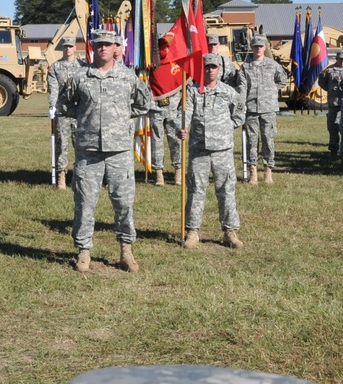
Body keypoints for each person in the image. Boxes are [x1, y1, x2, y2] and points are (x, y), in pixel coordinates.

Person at [56, 29, 153, 273]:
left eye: (108, 44)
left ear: (116, 47)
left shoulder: (128, 77)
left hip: (119, 150)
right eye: (99, 44)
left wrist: (120, 118)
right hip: (88, 151)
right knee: (85, 202)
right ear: (93, 47)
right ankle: (83, 251)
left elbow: (143, 103)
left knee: (123, 202)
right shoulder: (80, 77)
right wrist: (86, 119)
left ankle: (126, 250)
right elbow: (64, 104)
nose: (103, 48)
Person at [180, 54, 245, 249]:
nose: (210, 70)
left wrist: (228, 127)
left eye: (214, 67)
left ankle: (230, 231)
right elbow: (184, 113)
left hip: (222, 150)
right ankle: (192, 231)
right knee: (196, 190)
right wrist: (182, 127)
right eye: (207, 67)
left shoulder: (228, 92)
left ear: (219, 69)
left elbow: (240, 111)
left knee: (226, 190)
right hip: (199, 149)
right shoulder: (192, 91)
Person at [236, 34, 286, 184]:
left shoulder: (272, 65)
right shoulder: (245, 67)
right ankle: (253, 172)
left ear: (265, 47)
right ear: (251, 48)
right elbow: (242, 87)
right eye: (255, 46)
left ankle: (268, 171)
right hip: (251, 108)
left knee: (268, 139)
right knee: (251, 141)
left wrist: (271, 91)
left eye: (261, 46)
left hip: (268, 108)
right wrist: (241, 104)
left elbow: (282, 80)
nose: (258, 48)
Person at [47, 36, 86, 189]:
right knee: (61, 144)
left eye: (70, 46)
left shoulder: (82, 66)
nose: (68, 49)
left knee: (80, 144)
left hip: (79, 112)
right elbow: (53, 87)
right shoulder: (55, 67)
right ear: (62, 48)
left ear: (75, 48)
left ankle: (79, 176)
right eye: (65, 46)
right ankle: (61, 175)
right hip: (62, 111)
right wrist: (52, 105)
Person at [148, 37, 184, 187]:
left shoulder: (175, 63)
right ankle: (159, 173)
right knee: (157, 141)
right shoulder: (150, 63)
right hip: (155, 107)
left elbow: (181, 85)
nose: (163, 50)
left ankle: (178, 171)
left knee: (175, 139)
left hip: (173, 108)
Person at [317, 50, 343, 156]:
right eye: (341, 59)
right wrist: (331, 90)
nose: (342, 61)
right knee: (332, 127)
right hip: (334, 104)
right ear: (337, 59)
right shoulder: (329, 70)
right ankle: (333, 149)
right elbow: (322, 82)